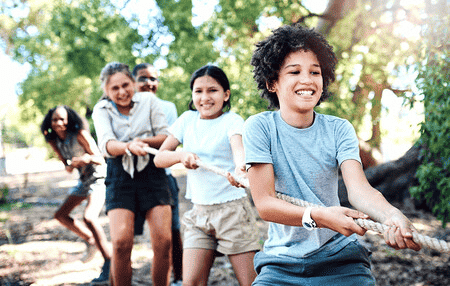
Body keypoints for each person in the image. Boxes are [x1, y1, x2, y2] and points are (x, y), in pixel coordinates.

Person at [243, 24, 422, 286]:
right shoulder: (260, 127)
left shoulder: (339, 129)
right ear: (272, 82)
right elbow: (265, 204)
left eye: (315, 72)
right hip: (281, 263)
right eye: (294, 71)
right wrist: (319, 217)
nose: (307, 79)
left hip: (340, 258)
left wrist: (391, 216)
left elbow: (360, 191)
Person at [154, 65, 260, 286]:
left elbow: (238, 149)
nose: (205, 97)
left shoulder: (232, 121)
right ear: (192, 95)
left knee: (250, 283)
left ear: (226, 94)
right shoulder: (186, 120)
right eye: (198, 91)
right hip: (199, 214)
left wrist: (240, 168)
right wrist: (181, 155)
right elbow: (159, 158)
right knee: (190, 282)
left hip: (233, 213)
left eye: (212, 90)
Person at [92, 62, 173, 286]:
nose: (122, 92)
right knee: (120, 243)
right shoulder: (101, 110)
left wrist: (142, 142)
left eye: (125, 85)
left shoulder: (148, 101)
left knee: (163, 242)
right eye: (114, 88)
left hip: (152, 172)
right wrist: (128, 147)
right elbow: (107, 144)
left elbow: (166, 137)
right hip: (120, 174)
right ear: (106, 91)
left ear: (133, 83)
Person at [40, 106, 112, 285]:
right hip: (83, 179)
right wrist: (69, 165)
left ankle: (110, 263)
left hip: (99, 177)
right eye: (55, 120)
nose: (59, 123)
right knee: (60, 215)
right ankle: (90, 240)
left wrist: (84, 159)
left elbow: (100, 158)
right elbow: (65, 163)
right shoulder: (54, 140)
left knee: (89, 217)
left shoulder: (80, 133)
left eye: (62, 119)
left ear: (69, 120)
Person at [132, 63, 183, 286]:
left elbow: (168, 141)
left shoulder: (167, 107)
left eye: (153, 79)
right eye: (143, 78)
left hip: (164, 177)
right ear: (133, 82)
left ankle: (179, 278)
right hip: (131, 179)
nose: (149, 83)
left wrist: (139, 142)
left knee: (172, 233)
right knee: (124, 238)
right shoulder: (125, 107)